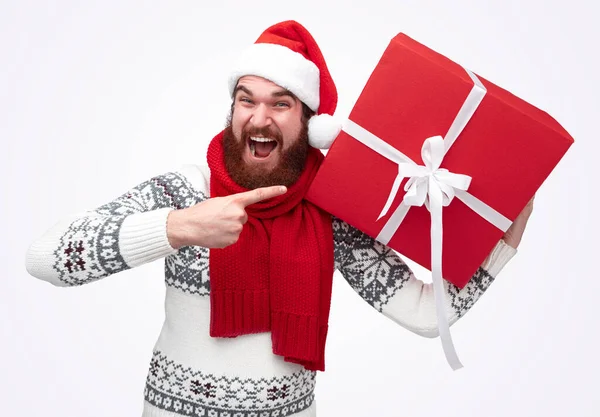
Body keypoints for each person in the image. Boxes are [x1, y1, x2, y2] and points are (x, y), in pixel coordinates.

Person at [25, 20, 533, 417]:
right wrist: (178, 227)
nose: (259, 118)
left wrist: (500, 247)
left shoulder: (332, 209)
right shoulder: (184, 190)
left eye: (280, 104)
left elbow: (424, 314)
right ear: (232, 111)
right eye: (246, 100)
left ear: (310, 123)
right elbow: (46, 258)